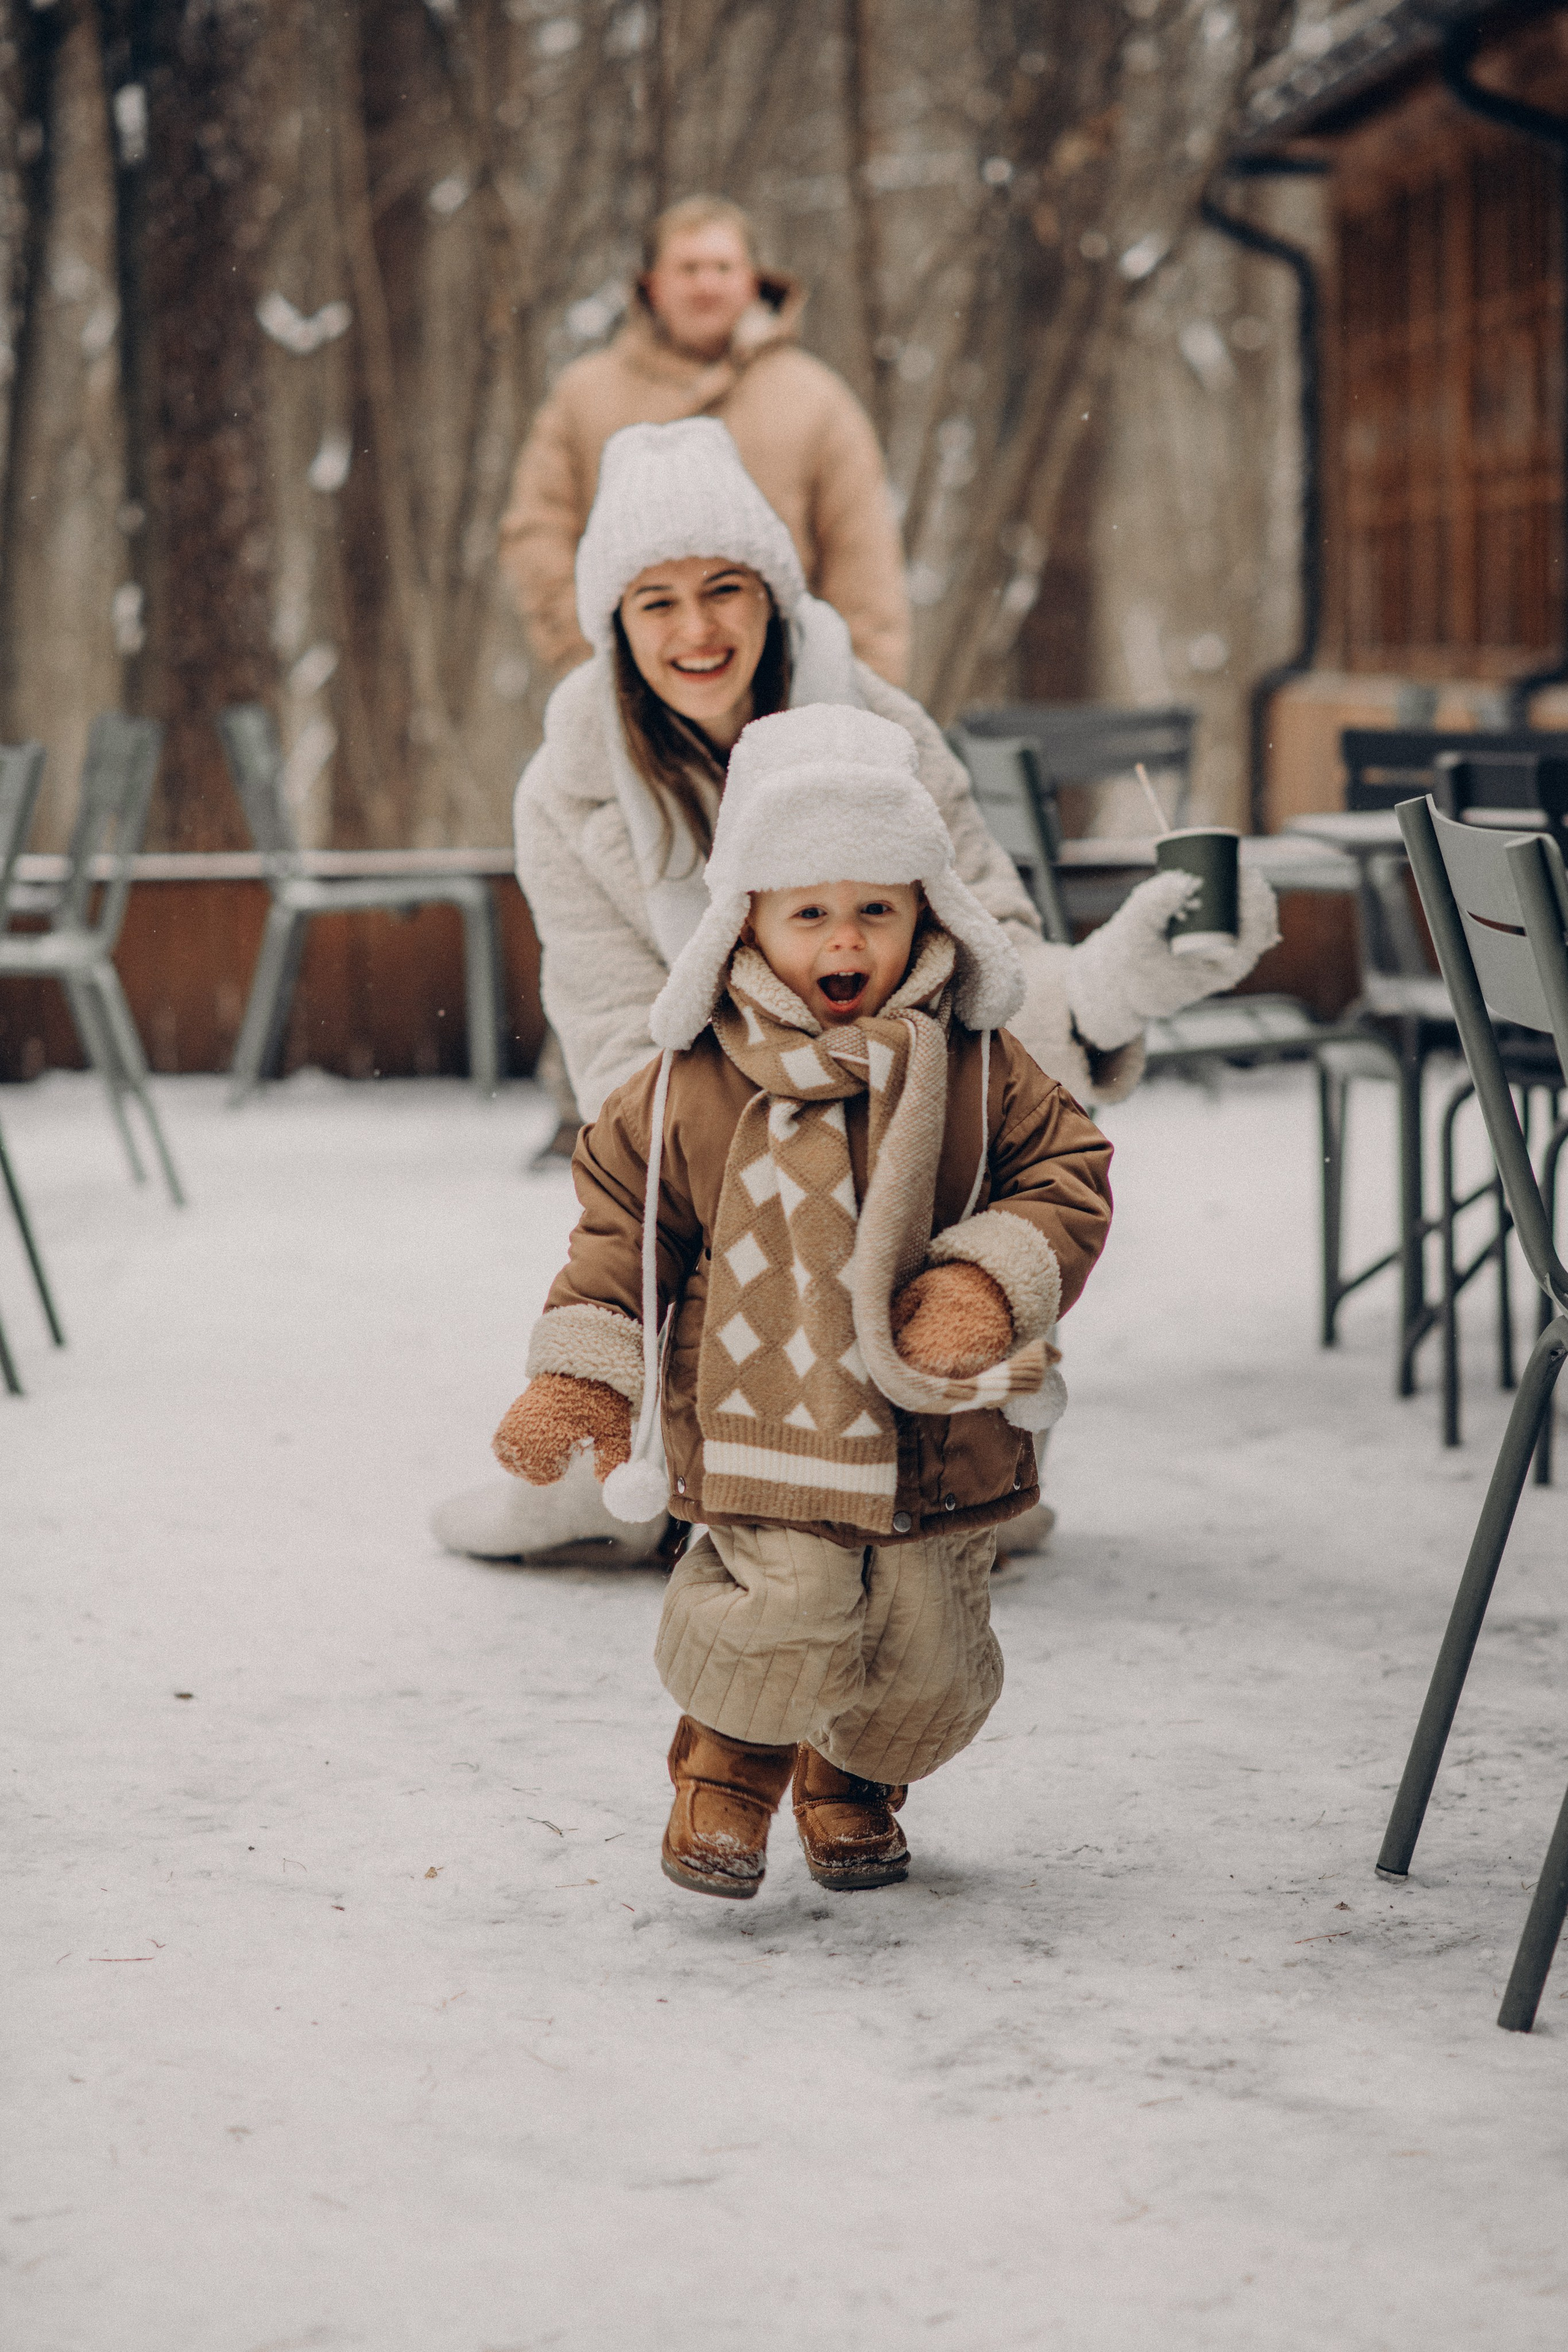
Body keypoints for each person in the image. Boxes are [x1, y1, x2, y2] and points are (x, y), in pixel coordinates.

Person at [430, 414, 1275, 1564]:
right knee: (629, 1432)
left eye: (723, 589)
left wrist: (1117, 983)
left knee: (937, 1513)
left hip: (916, 1145)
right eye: (656, 601)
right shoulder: (566, 799)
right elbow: (621, 1051)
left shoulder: (882, 732)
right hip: (723, 1170)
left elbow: (994, 964)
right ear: (615, 625)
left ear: (771, 594)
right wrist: (788, 1155)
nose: (696, 630)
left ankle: (941, 1442)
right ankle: (662, 1456)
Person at [490, 705, 1114, 1898]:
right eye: (809, 913)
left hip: (938, 1432)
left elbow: (1065, 1174)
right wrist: (581, 1373)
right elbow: (625, 1225)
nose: (846, 939)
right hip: (759, 1417)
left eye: (875, 908)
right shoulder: (694, 1081)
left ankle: (855, 1777)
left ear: (926, 912)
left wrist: (987, 1278)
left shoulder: (978, 1065)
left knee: (925, 1641)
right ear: (749, 921)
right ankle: (727, 1769)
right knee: (783, 1604)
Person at [498, 194, 910, 687]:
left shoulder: (817, 399)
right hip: (625, 692)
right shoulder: (584, 395)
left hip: (790, 690)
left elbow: (865, 558)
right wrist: (596, 658)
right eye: (689, 269)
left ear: (753, 280)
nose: (707, 285)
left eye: (723, 267)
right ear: (652, 285)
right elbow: (536, 532)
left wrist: (861, 691)